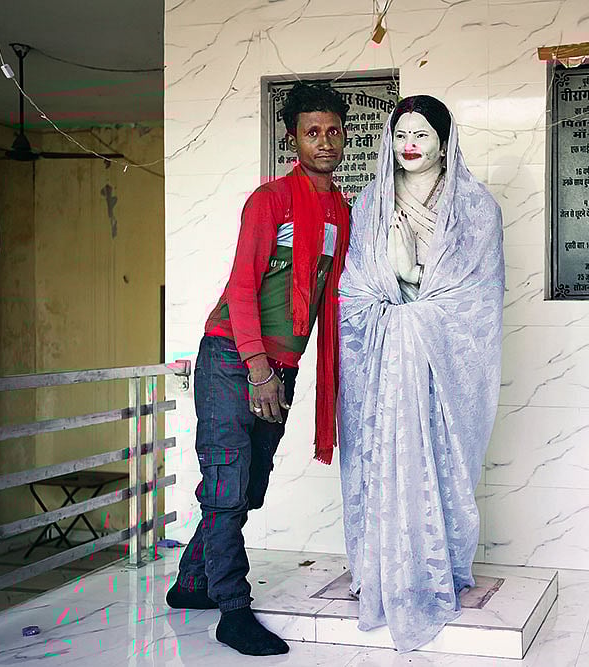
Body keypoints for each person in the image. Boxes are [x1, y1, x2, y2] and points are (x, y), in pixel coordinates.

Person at [165, 81, 351, 657]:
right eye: (312, 132)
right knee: (226, 484)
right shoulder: (269, 200)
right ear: (294, 139)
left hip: (282, 365)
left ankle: (191, 582)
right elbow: (242, 287)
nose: (324, 141)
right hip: (233, 357)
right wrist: (257, 369)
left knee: (247, 486)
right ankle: (233, 610)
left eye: (333, 131)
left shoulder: (341, 211)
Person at [337, 95, 505, 652]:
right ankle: (381, 567)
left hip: (441, 361)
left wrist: (413, 285)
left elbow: (477, 298)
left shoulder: (474, 207)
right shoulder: (371, 202)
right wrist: (397, 285)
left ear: (444, 141)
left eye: (422, 135)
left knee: (438, 456)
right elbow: (354, 288)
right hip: (385, 361)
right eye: (401, 134)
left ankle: (437, 566)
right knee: (383, 457)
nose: (409, 145)